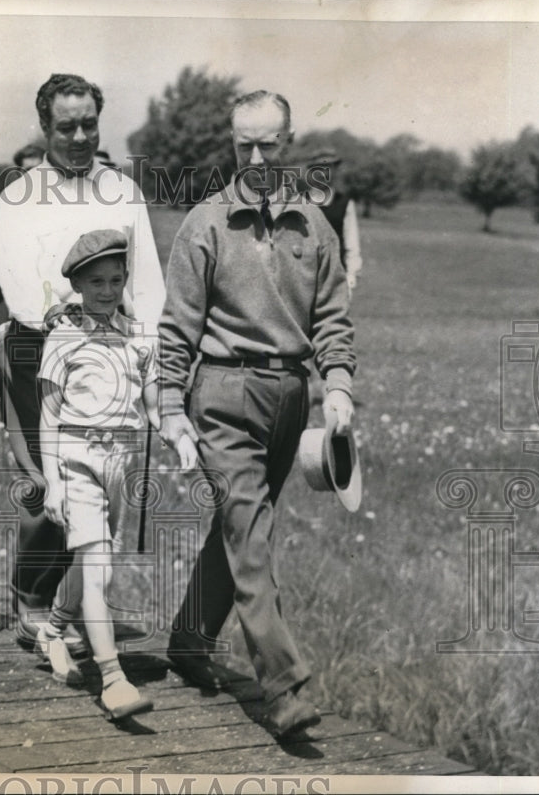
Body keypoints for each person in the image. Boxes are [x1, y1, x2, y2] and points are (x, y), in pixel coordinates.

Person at [158, 91, 355, 739]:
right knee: (252, 536)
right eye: (243, 143)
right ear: (231, 143)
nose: (256, 156)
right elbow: (177, 327)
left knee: (239, 528)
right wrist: (167, 402)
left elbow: (331, 318)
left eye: (269, 143)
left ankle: (189, 640)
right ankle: (284, 685)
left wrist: (340, 386)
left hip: (291, 399)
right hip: (221, 392)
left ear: (289, 142)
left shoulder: (314, 225)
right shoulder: (206, 223)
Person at [0, 73, 165, 651]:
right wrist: (67, 316)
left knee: (102, 481)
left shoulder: (123, 192)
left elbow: (147, 282)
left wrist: (146, 350)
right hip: (39, 349)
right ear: (44, 128)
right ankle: (31, 594)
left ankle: (71, 604)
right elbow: (16, 282)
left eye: (89, 124)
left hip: (111, 355)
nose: (79, 136)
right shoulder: (19, 196)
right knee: (48, 481)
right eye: (66, 126)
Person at [35, 228, 193, 719]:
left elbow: (152, 405)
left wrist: (178, 435)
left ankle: (54, 627)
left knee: (93, 564)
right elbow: (48, 414)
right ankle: (113, 679)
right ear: (77, 287)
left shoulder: (139, 337)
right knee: (99, 569)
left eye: (115, 280)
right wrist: (55, 483)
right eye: (96, 282)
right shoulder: (64, 338)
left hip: (122, 462)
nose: (107, 291)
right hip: (76, 459)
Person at [0, 142, 44, 417]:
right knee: (3, 354)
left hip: (46, 300)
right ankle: (14, 422)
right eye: (28, 170)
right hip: (7, 298)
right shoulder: (6, 205)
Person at [306, 148, 363, 294]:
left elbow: (351, 244)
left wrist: (351, 276)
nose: (324, 174)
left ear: (335, 171)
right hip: (305, 275)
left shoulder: (344, 203)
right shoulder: (299, 202)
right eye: (320, 168)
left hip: (336, 276)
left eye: (329, 168)